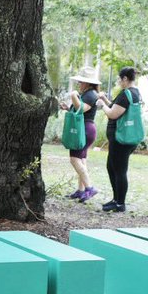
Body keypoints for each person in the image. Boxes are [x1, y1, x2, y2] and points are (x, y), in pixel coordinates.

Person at [99, 66, 141, 213]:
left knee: (120, 170)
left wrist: (102, 105)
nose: (118, 81)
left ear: (125, 79)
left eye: (119, 78)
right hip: (121, 138)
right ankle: (116, 199)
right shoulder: (134, 93)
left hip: (121, 139)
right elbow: (118, 108)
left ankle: (120, 203)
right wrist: (105, 99)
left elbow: (112, 114)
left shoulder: (127, 93)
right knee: (112, 167)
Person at [58, 67, 102, 202]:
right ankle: (81, 190)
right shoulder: (88, 94)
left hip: (84, 129)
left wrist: (73, 96)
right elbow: (78, 109)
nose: (79, 84)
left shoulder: (91, 94)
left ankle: (90, 188)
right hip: (85, 128)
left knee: (74, 159)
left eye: (80, 81)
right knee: (81, 160)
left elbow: (82, 109)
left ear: (87, 83)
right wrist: (68, 107)